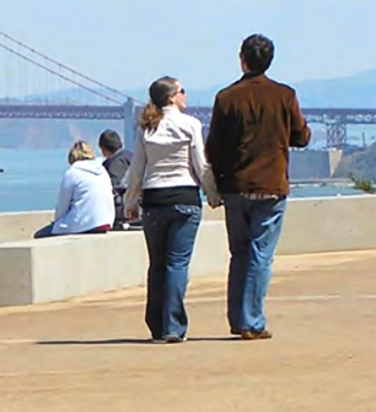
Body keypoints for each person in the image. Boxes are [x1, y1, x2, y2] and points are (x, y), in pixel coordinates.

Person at [206, 34, 311, 341]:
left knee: (239, 253)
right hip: (271, 185)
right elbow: (301, 137)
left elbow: (214, 147)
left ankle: (238, 319)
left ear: (242, 59)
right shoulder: (285, 95)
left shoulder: (226, 97)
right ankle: (251, 321)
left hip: (236, 186)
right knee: (260, 255)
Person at [124, 76, 220, 344]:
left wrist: (131, 203)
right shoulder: (190, 125)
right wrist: (212, 194)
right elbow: (200, 165)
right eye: (182, 91)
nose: (185, 96)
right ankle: (173, 326)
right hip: (185, 198)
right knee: (177, 263)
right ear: (171, 97)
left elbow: (137, 171)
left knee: (157, 264)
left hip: (154, 200)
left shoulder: (146, 128)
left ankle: (156, 326)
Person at [34, 140, 115, 238]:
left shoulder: (72, 173)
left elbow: (62, 206)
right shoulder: (102, 171)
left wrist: (57, 223)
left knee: (39, 235)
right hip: (105, 222)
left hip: (83, 225)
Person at [98, 129, 133, 228]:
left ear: (103, 149)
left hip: (123, 214)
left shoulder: (112, 164)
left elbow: (115, 190)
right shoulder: (131, 156)